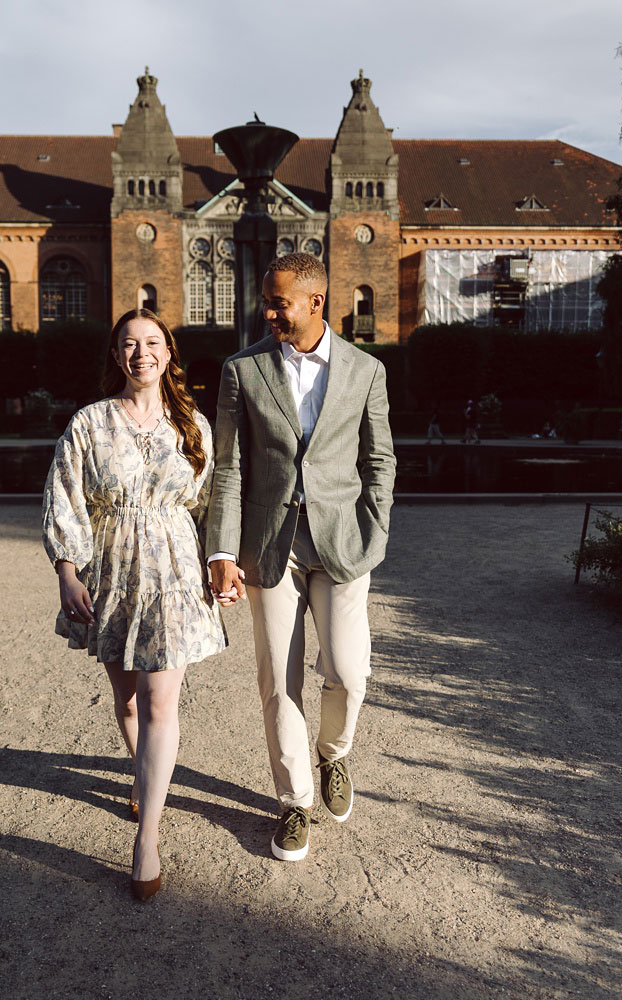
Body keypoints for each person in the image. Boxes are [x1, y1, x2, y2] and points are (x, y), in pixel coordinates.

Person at [206, 253, 396, 862]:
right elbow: (231, 469)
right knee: (277, 682)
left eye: (279, 301)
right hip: (272, 548)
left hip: (343, 543)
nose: (268, 312)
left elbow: (380, 461)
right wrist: (223, 551)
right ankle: (294, 801)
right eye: (267, 300)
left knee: (349, 671)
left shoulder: (366, 370)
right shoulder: (243, 370)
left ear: (315, 302)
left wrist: (376, 530)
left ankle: (333, 756)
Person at [42, 308, 226, 901]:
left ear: (169, 352)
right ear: (116, 355)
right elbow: (64, 499)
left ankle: (146, 836)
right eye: (129, 343)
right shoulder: (90, 423)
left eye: (152, 342)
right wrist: (68, 575)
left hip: (173, 569)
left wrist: (221, 563)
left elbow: (210, 505)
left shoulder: (192, 424)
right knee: (126, 701)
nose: (141, 352)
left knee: (158, 700)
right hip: (112, 570)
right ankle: (144, 779)